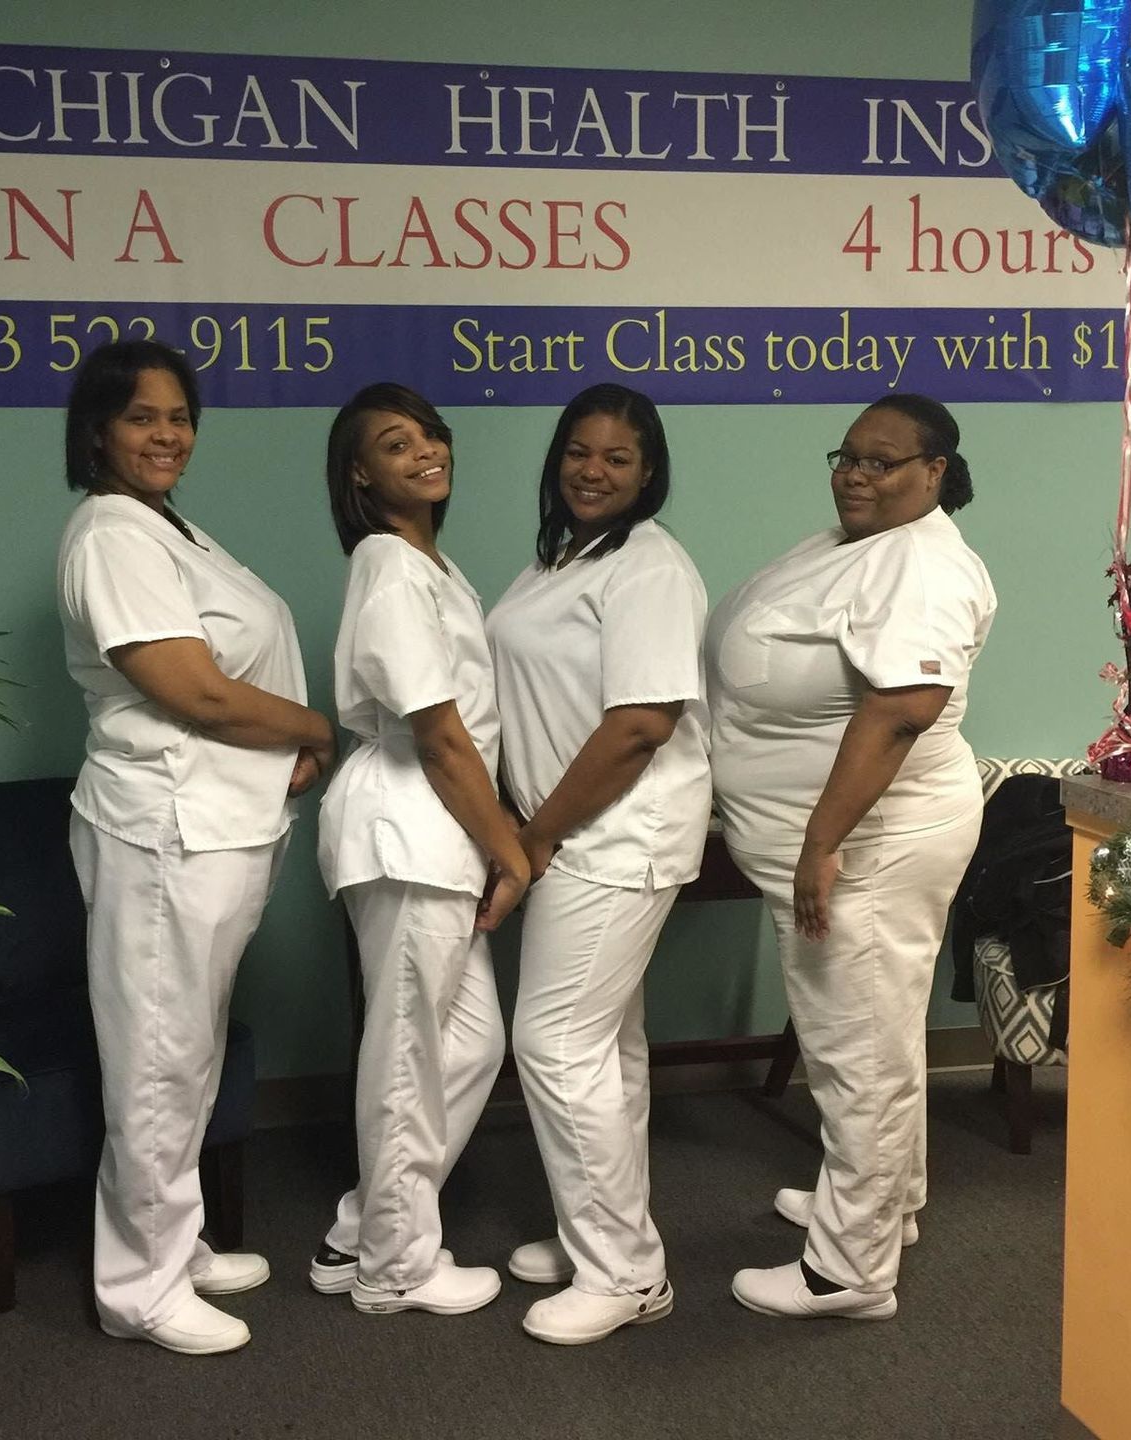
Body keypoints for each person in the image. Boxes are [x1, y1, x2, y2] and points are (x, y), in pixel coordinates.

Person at [56, 339, 335, 1356]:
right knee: (156, 1061)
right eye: (142, 417)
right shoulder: (110, 536)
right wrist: (312, 729)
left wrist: (283, 756)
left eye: (179, 416)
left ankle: (178, 1242)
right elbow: (195, 689)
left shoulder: (169, 527)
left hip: (216, 828)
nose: (167, 433)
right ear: (98, 430)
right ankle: (140, 1287)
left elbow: (227, 672)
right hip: (161, 833)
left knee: (192, 1045)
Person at [705, 393, 996, 1321]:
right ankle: (881, 1203)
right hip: (852, 838)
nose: (856, 475)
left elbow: (900, 709)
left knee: (856, 1049)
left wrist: (820, 842)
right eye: (848, 457)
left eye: (882, 463)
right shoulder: (858, 542)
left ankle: (848, 1271)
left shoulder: (920, 564)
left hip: (871, 843)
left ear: (935, 471)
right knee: (876, 1030)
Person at [484, 384, 710, 1345]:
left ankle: (624, 1273)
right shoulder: (561, 558)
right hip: (570, 831)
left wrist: (534, 839)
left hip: (616, 836)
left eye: (617, 458)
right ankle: (604, 1237)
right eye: (579, 451)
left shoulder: (649, 567)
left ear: (648, 471)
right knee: (607, 1049)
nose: (593, 470)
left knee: (555, 1042)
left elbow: (640, 727)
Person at [310, 382, 529, 1317]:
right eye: (396, 445)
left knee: (471, 1046)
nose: (424, 452)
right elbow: (438, 730)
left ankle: (363, 1224)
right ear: (361, 474)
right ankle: (395, 1268)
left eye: (431, 436)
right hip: (408, 824)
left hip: (438, 829)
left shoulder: (431, 565)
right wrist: (510, 850)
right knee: (407, 1056)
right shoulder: (387, 563)